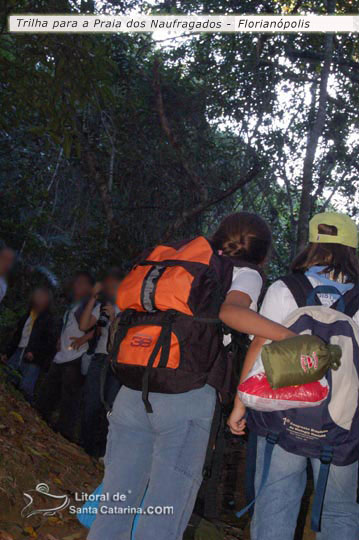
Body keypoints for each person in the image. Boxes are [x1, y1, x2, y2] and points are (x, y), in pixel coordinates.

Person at [88, 212, 295, 540]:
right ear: (262, 252)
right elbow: (231, 312)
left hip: (132, 388)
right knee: (164, 511)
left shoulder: (185, 261)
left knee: (116, 500)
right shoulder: (245, 273)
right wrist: (288, 336)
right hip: (186, 395)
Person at [228, 212, 359, 540]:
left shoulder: (285, 288)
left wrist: (240, 405)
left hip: (280, 420)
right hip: (341, 426)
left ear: (311, 245)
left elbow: (259, 344)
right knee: (340, 511)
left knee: (275, 502)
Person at [36, 271, 94, 442]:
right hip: (62, 355)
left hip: (75, 357)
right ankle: (41, 419)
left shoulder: (89, 305)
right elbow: (69, 326)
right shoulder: (74, 305)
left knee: (70, 398)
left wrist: (85, 338)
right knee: (49, 391)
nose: (78, 286)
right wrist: (60, 340)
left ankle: (64, 434)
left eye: (83, 284)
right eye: (77, 283)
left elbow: (96, 327)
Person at [79, 269, 122, 457]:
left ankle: (101, 452)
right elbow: (84, 325)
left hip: (117, 364)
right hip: (99, 359)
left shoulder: (130, 308)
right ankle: (85, 447)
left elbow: (123, 340)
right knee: (90, 403)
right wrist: (93, 298)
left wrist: (114, 319)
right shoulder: (104, 306)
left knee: (110, 407)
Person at [2, 287, 56, 402]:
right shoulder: (27, 315)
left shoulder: (48, 319)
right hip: (18, 352)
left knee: (25, 388)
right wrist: (7, 353)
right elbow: (17, 336)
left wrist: (34, 353)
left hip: (33, 359)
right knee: (7, 380)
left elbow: (49, 343)